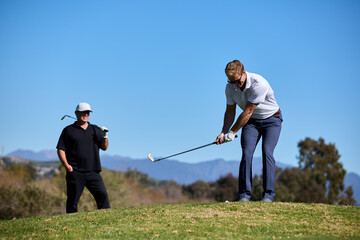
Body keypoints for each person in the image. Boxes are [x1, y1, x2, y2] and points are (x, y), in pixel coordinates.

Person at [215, 60, 282, 202]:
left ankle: (268, 195)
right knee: (247, 153)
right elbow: (230, 111)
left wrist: (232, 132)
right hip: (251, 123)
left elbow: (248, 111)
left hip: (271, 120)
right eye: (231, 81)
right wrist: (223, 132)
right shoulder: (230, 87)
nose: (235, 85)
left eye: (237, 81)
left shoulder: (259, 84)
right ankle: (244, 195)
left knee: (267, 151)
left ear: (243, 73)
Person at [57, 102, 111, 213]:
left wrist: (105, 137)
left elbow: (104, 147)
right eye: (83, 112)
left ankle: (107, 218)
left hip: (93, 172)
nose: (86, 114)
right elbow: (61, 149)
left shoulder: (95, 129)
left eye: (88, 112)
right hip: (75, 171)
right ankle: (70, 223)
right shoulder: (68, 130)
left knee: (103, 197)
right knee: (72, 201)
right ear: (76, 113)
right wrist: (66, 166)